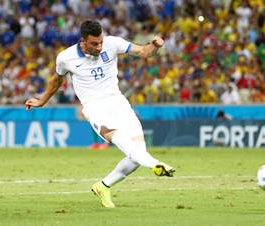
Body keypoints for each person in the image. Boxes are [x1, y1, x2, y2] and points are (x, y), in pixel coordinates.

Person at [25, 20, 175, 208]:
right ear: (83, 41)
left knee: (137, 153)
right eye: (94, 44)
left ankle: (103, 186)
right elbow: (56, 81)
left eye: (100, 42)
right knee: (120, 139)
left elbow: (143, 52)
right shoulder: (66, 58)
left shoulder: (112, 43)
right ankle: (155, 164)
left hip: (118, 102)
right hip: (94, 107)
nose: (99, 46)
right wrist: (42, 101)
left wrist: (154, 45)